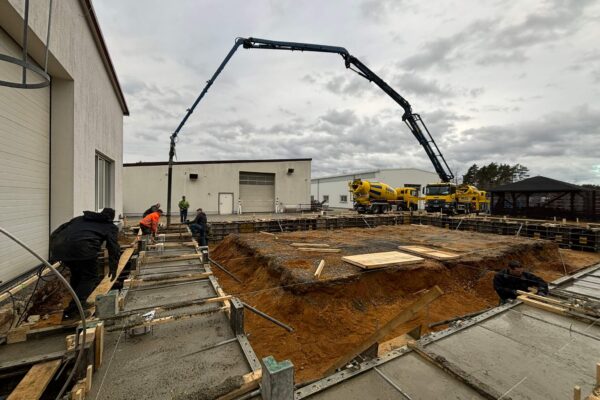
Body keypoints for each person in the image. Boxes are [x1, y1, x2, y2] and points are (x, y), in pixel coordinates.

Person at [49, 208, 120, 319]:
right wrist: (114, 267)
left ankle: (78, 303)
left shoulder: (79, 219)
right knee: (90, 277)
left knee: (77, 275)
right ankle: (73, 311)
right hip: (84, 249)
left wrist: (54, 250)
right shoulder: (109, 227)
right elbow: (113, 247)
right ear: (111, 217)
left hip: (62, 248)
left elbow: (56, 232)